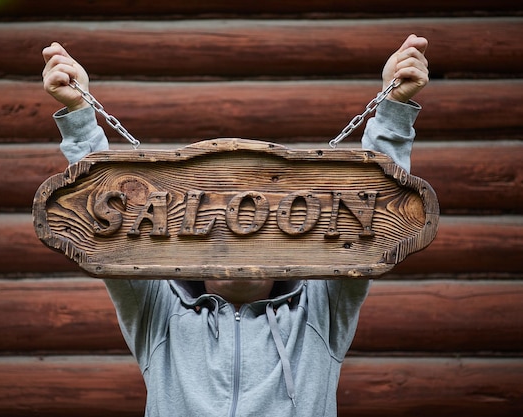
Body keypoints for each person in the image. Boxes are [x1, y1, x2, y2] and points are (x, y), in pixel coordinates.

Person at [42, 34, 429, 417]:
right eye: (219, 222)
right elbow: (105, 214)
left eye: (254, 221)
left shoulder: (321, 307)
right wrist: (78, 115)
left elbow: (370, 207)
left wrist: (393, 106)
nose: (236, 233)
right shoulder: (157, 312)